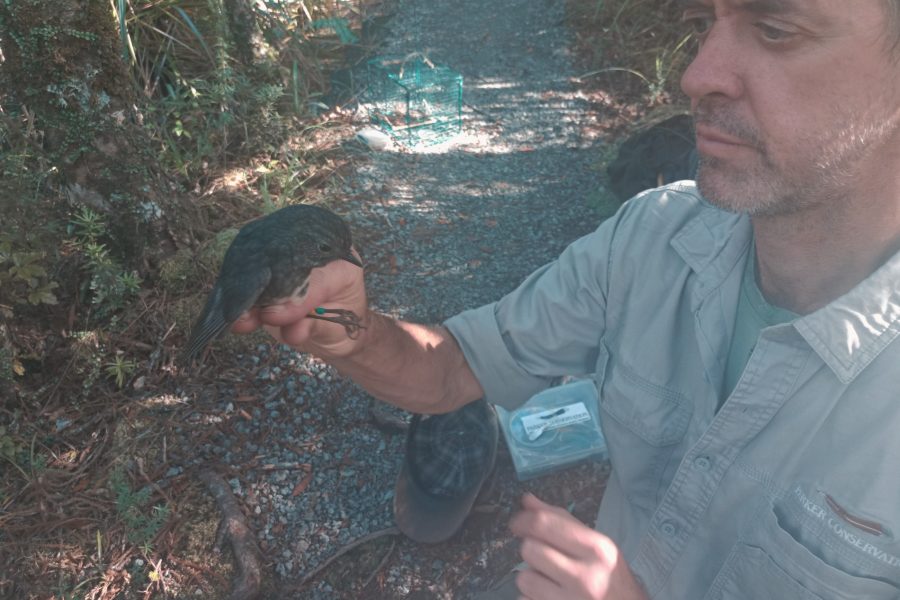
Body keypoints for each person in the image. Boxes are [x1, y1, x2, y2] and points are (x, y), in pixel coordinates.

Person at [232, 0, 900, 597]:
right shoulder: (655, 238)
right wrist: (356, 333)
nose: (697, 76)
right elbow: (451, 369)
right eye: (702, 24)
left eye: (776, 28)